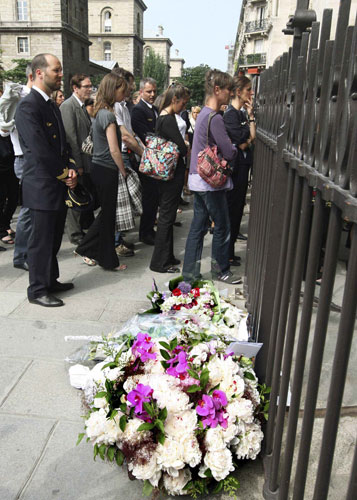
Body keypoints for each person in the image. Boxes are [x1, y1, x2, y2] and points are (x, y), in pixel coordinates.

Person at [15, 53, 77, 307]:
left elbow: (63, 144)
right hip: (41, 184)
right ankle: (37, 289)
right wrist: (64, 174)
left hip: (56, 183)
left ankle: (50, 280)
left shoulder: (50, 104)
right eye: (56, 70)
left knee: (52, 239)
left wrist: (71, 166)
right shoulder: (28, 106)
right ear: (40, 73)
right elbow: (39, 150)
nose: (60, 75)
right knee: (40, 242)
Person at [182, 69, 241, 285]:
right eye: (228, 90)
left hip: (198, 179)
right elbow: (229, 151)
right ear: (217, 90)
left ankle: (189, 274)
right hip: (210, 183)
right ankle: (221, 271)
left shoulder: (204, 114)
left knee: (197, 228)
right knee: (222, 226)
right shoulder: (215, 118)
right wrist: (234, 149)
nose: (230, 94)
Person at [75, 73, 128, 271]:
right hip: (106, 168)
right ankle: (104, 258)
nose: (125, 93)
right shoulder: (108, 115)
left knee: (107, 214)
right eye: (122, 90)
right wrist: (123, 170)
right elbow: (114, 149)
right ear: (113, 90)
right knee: (108, 216)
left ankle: (89, 249)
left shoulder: (102, 113)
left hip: (100, 167)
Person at [149, 84, 189, 273]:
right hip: (171, 175)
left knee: (168, 215)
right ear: (174, 99)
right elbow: (181, 147)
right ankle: (160, 262)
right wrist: (185, 144)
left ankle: (167, 257)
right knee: (166, 216)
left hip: (169, 173)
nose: (184, 107)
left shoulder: (165, 117)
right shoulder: (167, 119)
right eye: (183, 102)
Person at [112, 67, 144, 256]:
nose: (132, 88)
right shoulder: (115, 106)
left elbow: (130, 133)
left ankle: (119, 238)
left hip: (127, 154)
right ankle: (115, 241)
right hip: (121, 156)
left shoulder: (123, 105)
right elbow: (124, 135)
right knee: (122, 202)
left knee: (126, 202)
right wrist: (144, 153)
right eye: (130, 84)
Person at [224, 75, 256, 263]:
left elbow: (251, 138)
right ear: (238, 92)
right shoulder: (230, 115)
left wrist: (250, 118)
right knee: (232, 211)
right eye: (248, 90)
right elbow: (242, 144)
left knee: (237, 211)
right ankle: (226, 253)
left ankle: (229, 252)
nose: (251, 93)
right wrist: (247, 137)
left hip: (243, 167)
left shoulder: (242, 114)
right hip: (235, 170)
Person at [60, 74, 95, 244]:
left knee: (82, 195)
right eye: (86, 86)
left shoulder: (81, 106)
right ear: (75, 88)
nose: (90, 89)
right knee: (74, 198)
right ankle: (74, 234)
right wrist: (77, 164)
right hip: (77, 162)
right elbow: (70, 137)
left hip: (87, 161)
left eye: (90, 86)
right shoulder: (68, 106)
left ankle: (84, 226)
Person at [131, 77, 160, 246]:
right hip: (146, 158)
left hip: (157, 158)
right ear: (141, 92)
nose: (152, 94)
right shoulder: (138, 110)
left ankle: (149, 229)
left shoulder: (154, 109)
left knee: (154, 197)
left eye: (154, 91)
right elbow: (144, 135)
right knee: (149, 197)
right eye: (149, 91)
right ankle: (145, 232)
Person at [0, 134, 18, 245]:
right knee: (1, 199)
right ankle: (2, 231)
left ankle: (5, 224)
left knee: (14, 197)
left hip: (11, 161)